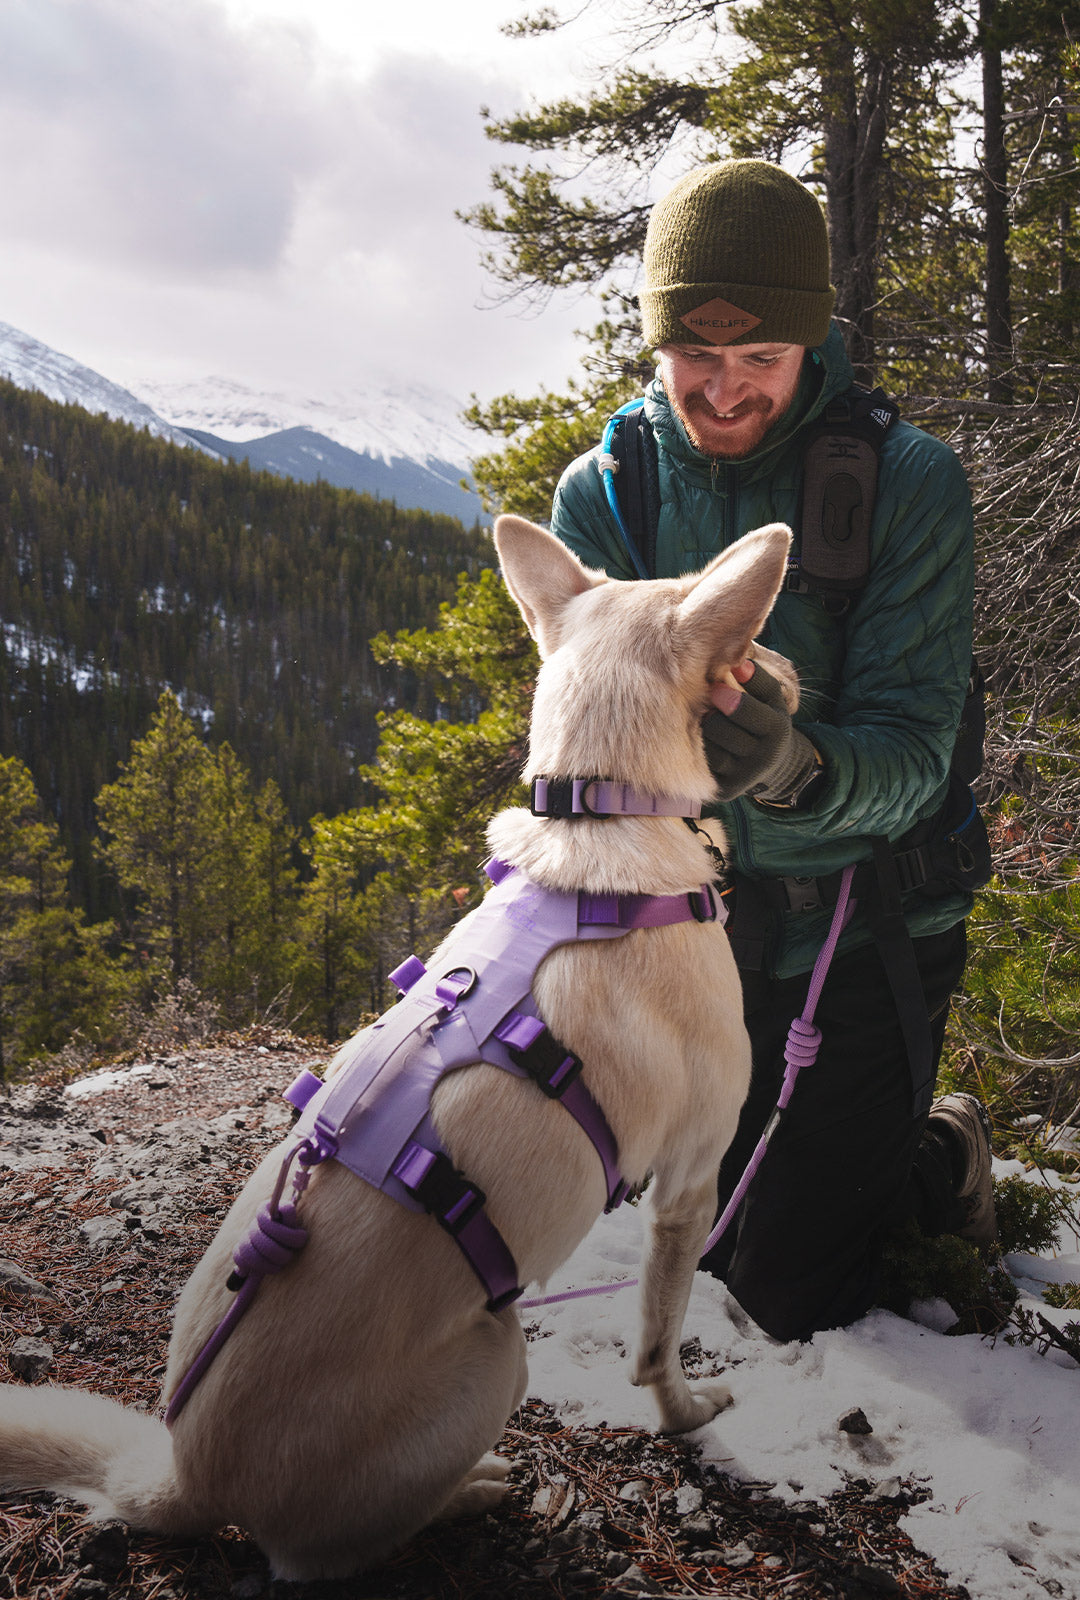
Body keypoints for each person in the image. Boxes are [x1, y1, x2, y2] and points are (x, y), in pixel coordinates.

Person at [548, 158, 995, 1343]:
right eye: (698, 359)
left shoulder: (905, 486)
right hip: (698, 929)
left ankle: (939, 1156)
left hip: (872, 919)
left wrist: (791, 768)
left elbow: (914, 752)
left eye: (761, 360)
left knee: (783, 1292)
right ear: (658, 343)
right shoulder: (608, 493)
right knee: (696, 1236)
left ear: (813, 342)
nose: (727, 391)